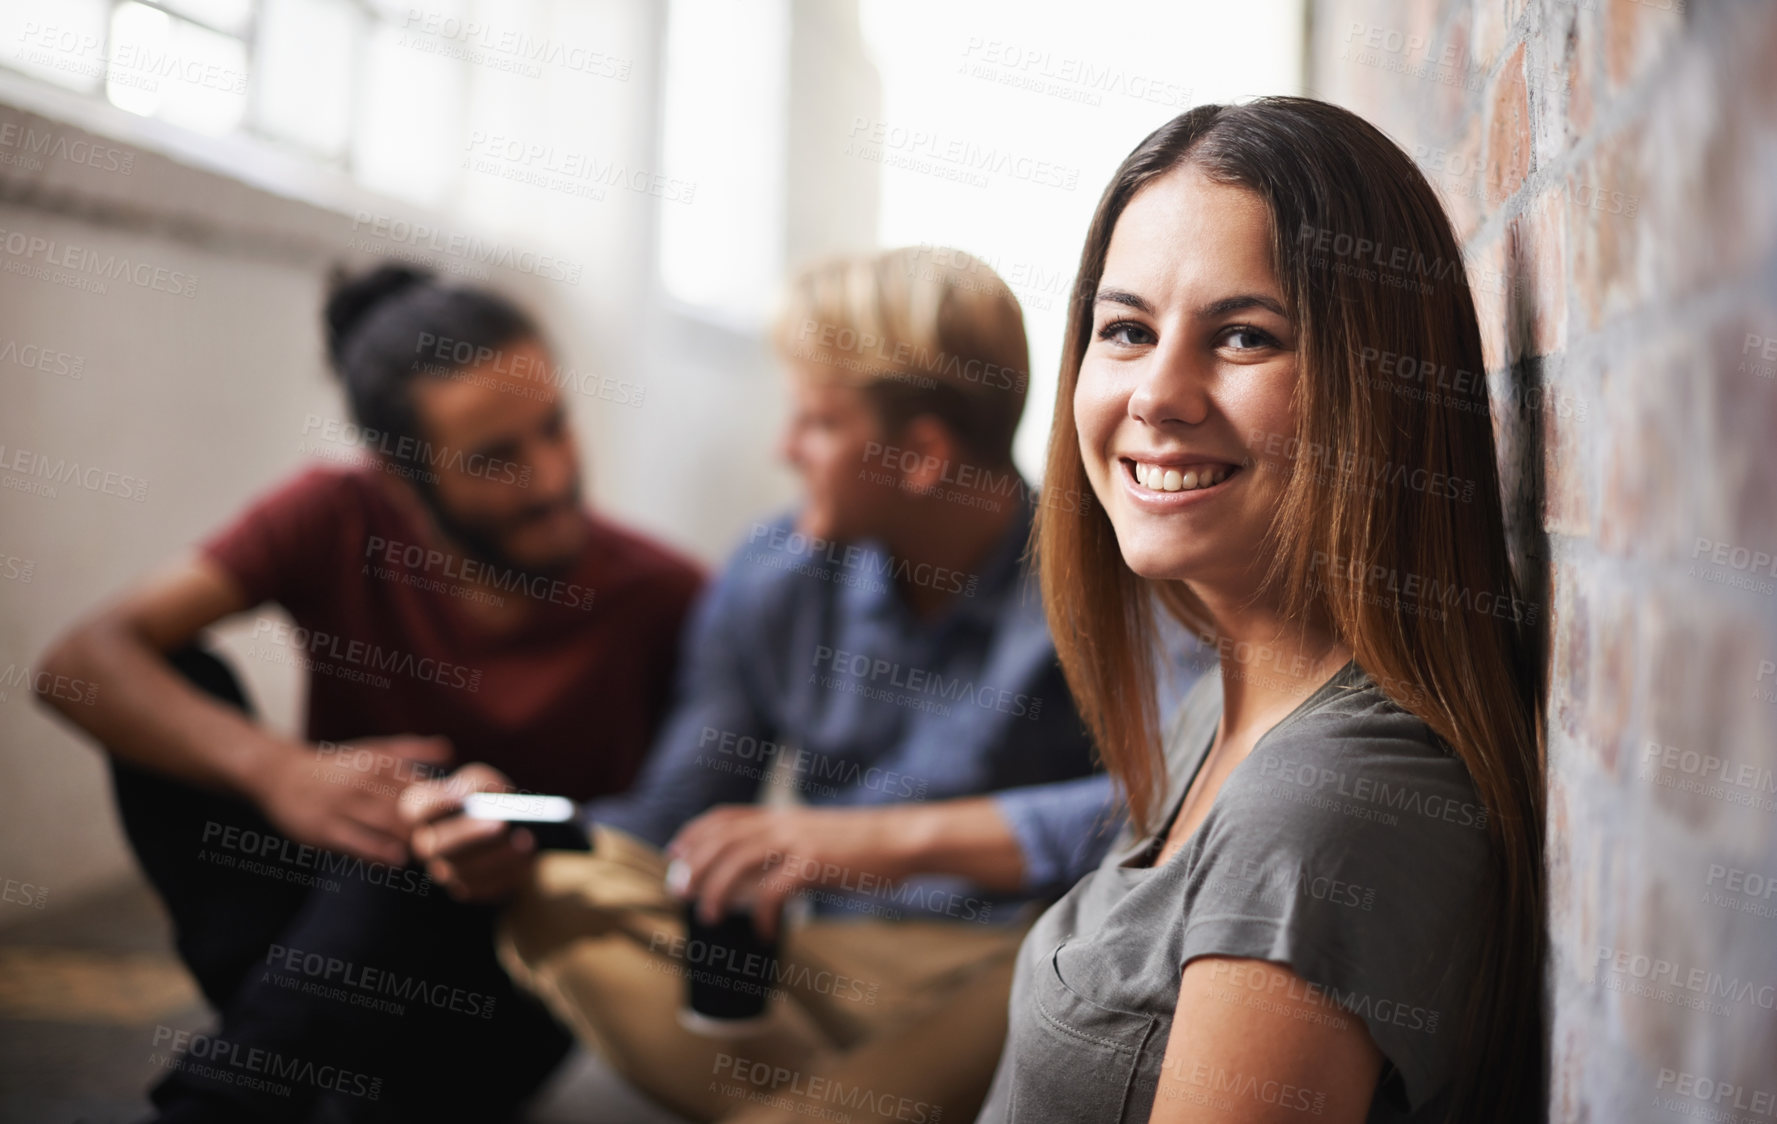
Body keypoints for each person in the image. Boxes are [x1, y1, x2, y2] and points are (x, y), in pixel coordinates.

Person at [404, 247, 1161, 1124]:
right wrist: (520, 825)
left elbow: (1182, 812)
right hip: (809, 959)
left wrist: (874, 842)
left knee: (1084, 951)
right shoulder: (772, 576)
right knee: (558, 895)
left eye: (816, 423)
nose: (783, 448)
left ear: (918, 455)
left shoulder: (1113, 581)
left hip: (1001, 969)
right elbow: (671, 816)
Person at [974, 98, 1544, 1123]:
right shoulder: (1223, 703)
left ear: (1381, 385)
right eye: (1126, 329)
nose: (1158, 393)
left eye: (1242, 336)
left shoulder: (1325, 808)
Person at [34, 266, 704, 1123]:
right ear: (398, 474)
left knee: (433, 816)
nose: (550, 478)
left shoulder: (667, 595)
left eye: (555, 428)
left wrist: (518, 835)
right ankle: (280, 1065)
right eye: (496, 459)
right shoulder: (334, 515)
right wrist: (280, 772)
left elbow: (682, 836)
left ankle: (230, 1093)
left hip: (499, 1004)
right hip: (315, 948)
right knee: (178, 685)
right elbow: (81, 661)